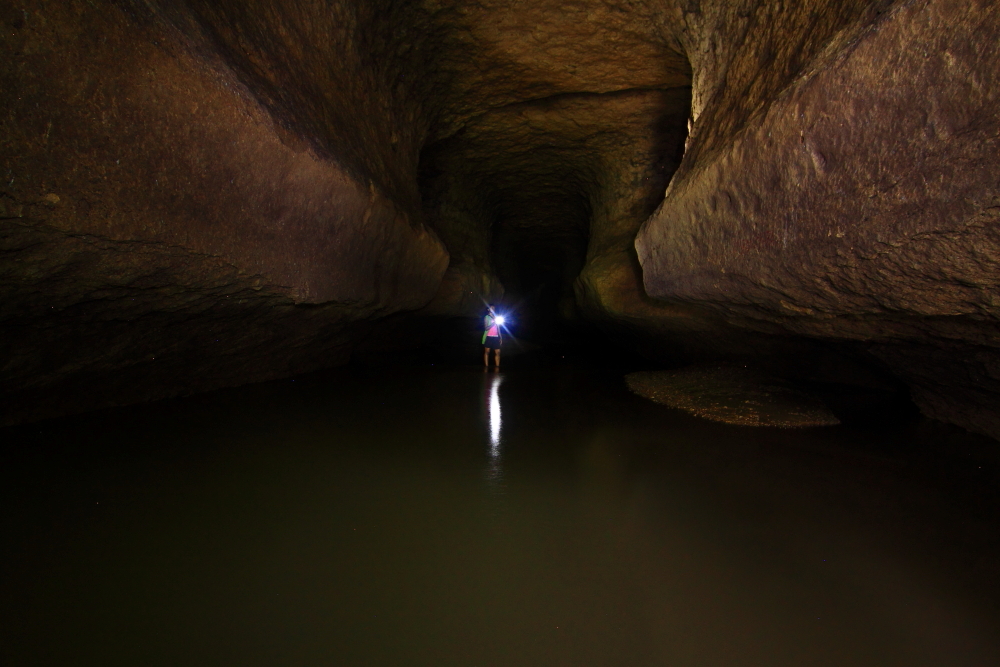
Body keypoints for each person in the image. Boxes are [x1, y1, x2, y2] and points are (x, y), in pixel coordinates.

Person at [482, 304, 502, 369]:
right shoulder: (486, 317)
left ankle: (497, 367)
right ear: (488, 309)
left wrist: (500, 337)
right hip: (488, 336)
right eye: (491, 308)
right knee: (487, 352)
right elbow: (486, 328)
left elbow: (498, 328)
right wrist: (493, 323)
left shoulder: (497, 317)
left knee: (498, 352)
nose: (493, 309)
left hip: (496, 337)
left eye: (494, 308)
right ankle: (486, 367)